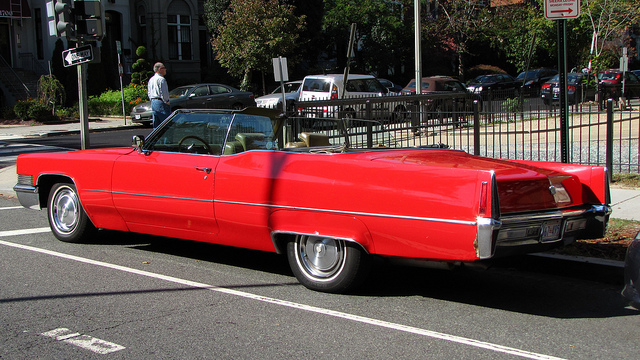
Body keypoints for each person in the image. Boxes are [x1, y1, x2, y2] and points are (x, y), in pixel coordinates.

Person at [147, 62, 170, 128]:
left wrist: (151, 99)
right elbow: (164, 92)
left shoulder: (151, 79)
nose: (165, 69)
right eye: (164, 68)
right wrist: (167, 101)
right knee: (166, 124)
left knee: (156, 125)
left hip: (153, 102)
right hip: (161, 102)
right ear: (160, 69)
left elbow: (149, 92)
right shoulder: (161, 79)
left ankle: (156, 138)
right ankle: (166, 138)